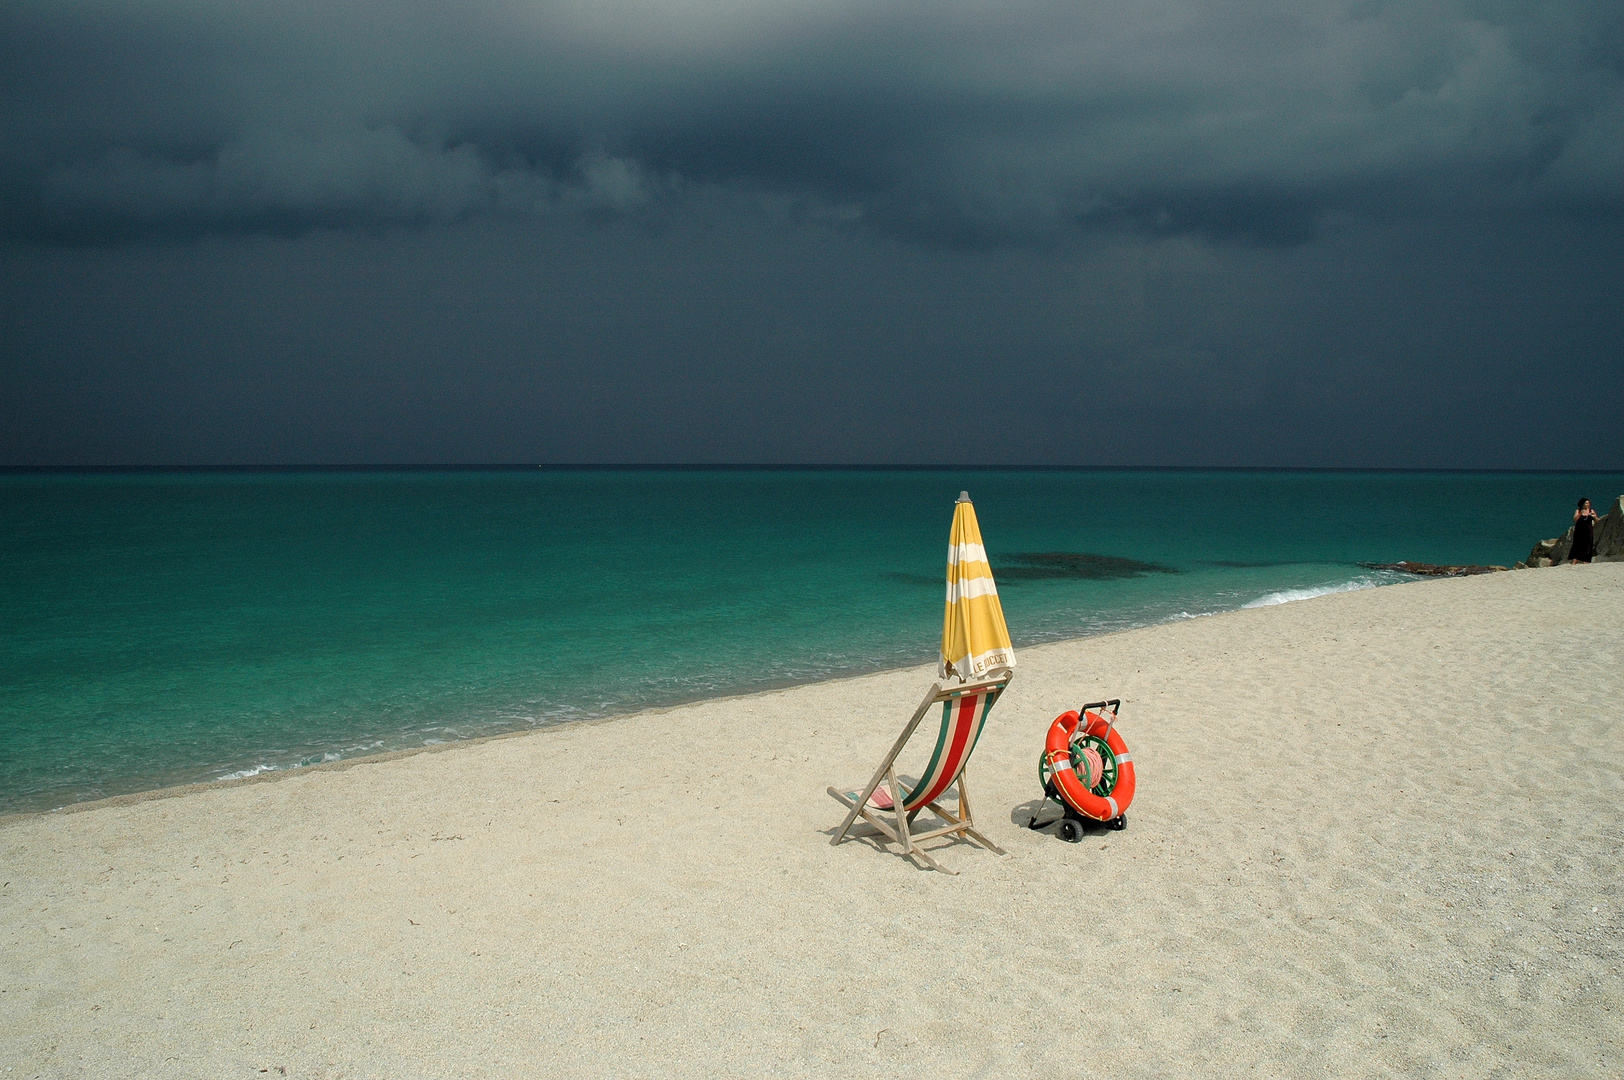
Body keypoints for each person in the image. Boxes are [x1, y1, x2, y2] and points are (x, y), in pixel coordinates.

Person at [1570, 498, 1598, 564]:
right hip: (1579, 530)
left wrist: (1594, 516)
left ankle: (1586, 560)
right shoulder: (1578, 511)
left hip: (1588, 529)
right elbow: (1574, 519)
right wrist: (1580, 514)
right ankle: (1575, 559)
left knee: (1588, 544)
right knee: (1577, 544)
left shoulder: (1591, 510)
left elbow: (1597, 520)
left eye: (1589, 503)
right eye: (1586, 503)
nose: (1588, 504)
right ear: (1582, 504)